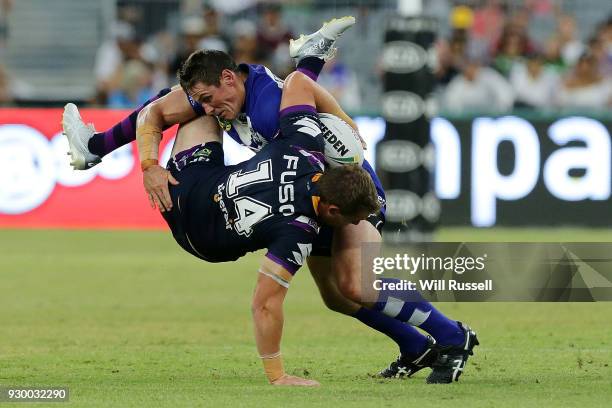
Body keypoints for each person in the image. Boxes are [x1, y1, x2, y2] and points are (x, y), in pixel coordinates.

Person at [63, 18, 478, 383]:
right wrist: (149, 163)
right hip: (308, 201)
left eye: (210, 98)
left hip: (348, 195)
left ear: (230, 78)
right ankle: (415, 348)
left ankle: (452, 337)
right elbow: (156, 112)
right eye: (202, 101)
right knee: (336, 297)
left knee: (357, 283)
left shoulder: (264, 111)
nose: (209, 109)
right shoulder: (226, 97)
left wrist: (343, 120)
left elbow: (299, 90)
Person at [151, 106, 379, 386]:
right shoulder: (298, 231)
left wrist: (149, 165)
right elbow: (264, 304)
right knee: (198, 96)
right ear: (332, 211)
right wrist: (277, 376)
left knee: (196, 102)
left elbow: (299, 82)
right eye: (353, 220)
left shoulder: (300, 143)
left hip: (180, 186)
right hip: (200, 238)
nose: (355, 227)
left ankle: (100, 145)